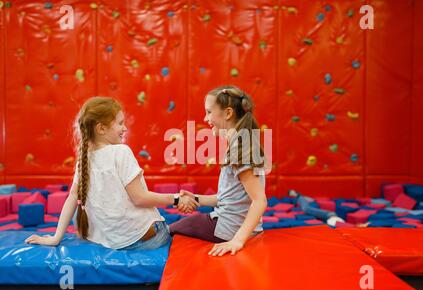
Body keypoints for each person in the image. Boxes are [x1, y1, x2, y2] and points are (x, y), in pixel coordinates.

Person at [25, 97, 198, 250]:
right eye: (120, 123)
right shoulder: (121, 152)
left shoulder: (84, 159)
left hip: (112, 240)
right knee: (187, 224)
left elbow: (72, 198)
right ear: (101, 128)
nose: (124, 128)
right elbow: (140, 198)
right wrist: (176, 199)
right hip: (144, 239)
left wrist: (56, 238)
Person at [169, 85, 268, 257]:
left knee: (169, 229)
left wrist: (237, 240)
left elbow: (259, 201)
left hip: (228, 229)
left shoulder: (241, 148)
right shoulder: (239, 143)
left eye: (208, 112)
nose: (205, 118)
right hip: (231, 225)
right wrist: (196, 199)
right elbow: (228, 198)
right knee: (184, 224)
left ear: (228, 113)